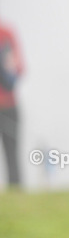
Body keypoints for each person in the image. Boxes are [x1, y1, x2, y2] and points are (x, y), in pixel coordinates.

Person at [0, 14, 24, 188]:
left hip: (8, 106)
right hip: (8, 105)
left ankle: (16, 194)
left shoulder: (6, 33)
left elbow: (19, 68)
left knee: (12, 157)